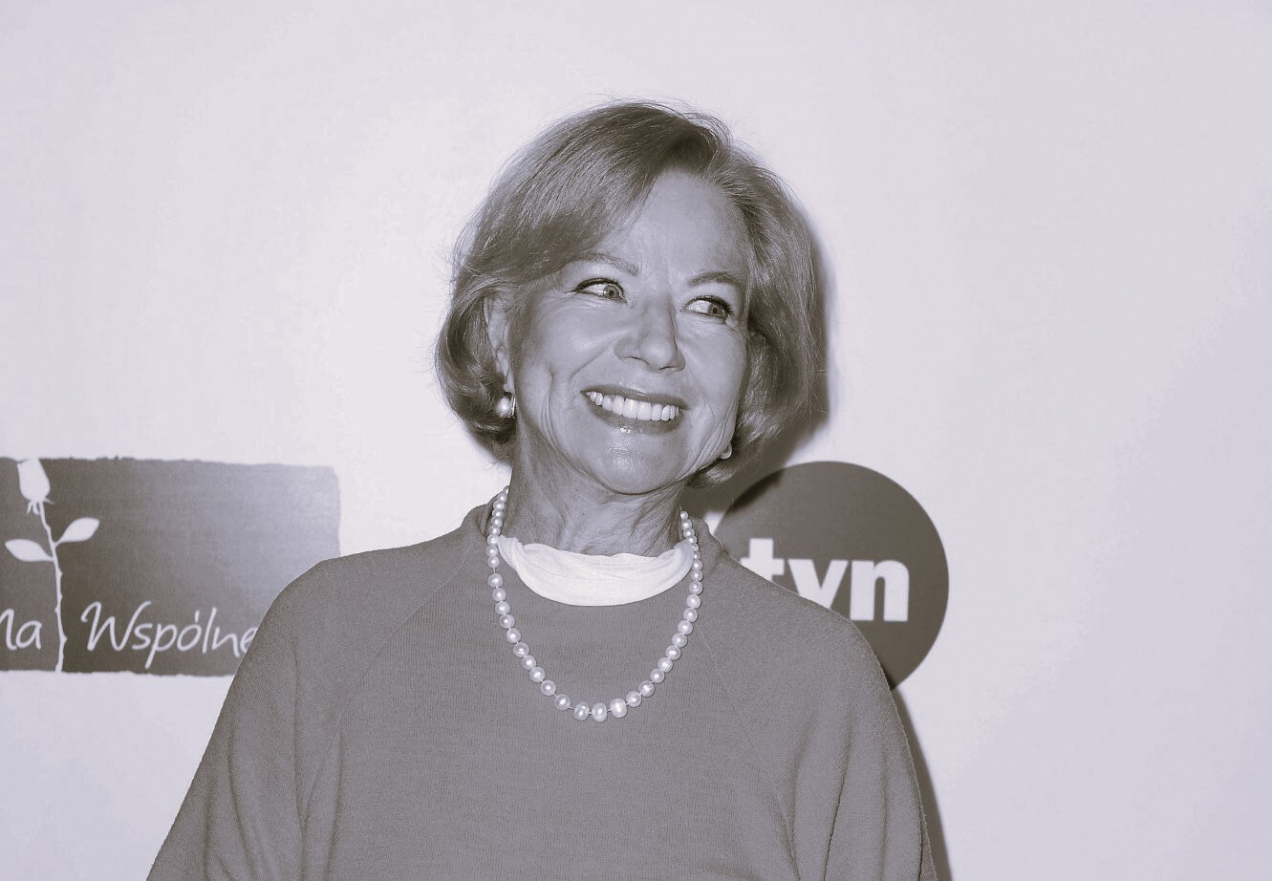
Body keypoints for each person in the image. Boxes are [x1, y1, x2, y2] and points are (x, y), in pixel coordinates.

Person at [150, 101, 937, 880]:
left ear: (748, 371)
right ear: (501, 329)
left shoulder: (818, 682)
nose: (658, 345)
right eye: (604, 287)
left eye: (709, 305)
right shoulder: (328, 638)